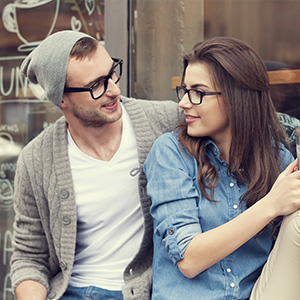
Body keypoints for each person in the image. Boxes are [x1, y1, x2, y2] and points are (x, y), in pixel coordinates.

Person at [10, 30, 182, 300]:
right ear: (62, 99)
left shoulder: (163, 121)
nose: (114, 89)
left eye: (112, 73)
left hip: (143, 290)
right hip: (71, 291)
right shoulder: (36, 159)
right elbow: (29, 257)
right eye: (96, 85)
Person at [144, 36, 300, 300]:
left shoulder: (277, 159)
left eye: (198, 92)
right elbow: (189, 260)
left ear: (236, 96)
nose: (183, 102)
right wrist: (271, 204)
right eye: (184, 90)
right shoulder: (171, 153)